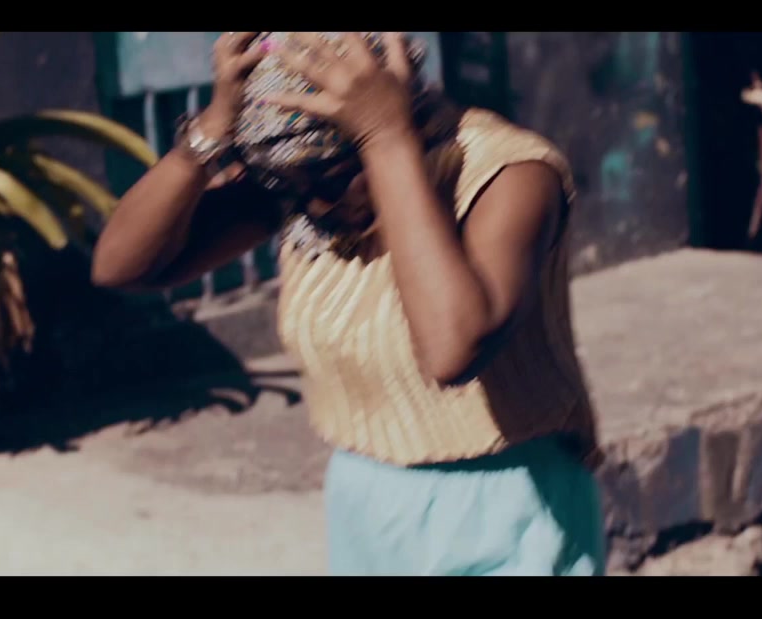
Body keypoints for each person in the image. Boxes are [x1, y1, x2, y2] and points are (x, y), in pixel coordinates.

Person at [92, 32, 604, 576]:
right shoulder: (303, 182)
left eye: (333, 178)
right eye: (291, 185)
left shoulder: (508, 174)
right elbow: (123, 267)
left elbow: (453, 349)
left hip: (507, 507)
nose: (314, 204)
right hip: (369, 507)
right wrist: (210, 132)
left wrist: (385, 140)